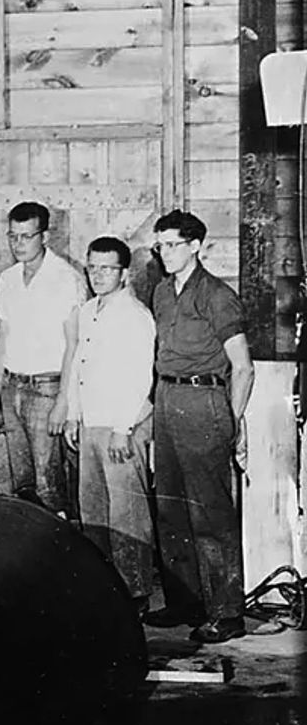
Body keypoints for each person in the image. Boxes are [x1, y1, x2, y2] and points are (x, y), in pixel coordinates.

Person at [144, 210, 254, 644]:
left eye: (172, 244)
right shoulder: (160, 293)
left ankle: (226, 613)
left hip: (203, 400)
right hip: (167, 400)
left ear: (195, 246)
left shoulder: (217, 296)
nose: (164, 253)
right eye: (160, 245)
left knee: (210, 514)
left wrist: (231, 422)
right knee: (170, 509)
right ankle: (185, 601)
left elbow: (243, 369)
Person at [59, 237, 157, 608]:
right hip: (90, 424)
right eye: (93, 267)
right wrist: (73, 416)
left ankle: (136, 592)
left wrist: (123, 428)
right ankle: (104, 588)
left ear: (124, 273)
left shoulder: (134, 314)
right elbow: (79, 368)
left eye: (107, 268)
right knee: (93, 510)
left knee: (126, 513)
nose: (98, 275)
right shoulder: (87, 311)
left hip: (120, 427)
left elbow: (140, 376)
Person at [0, 201, 86, 514]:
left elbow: (75, 346)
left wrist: (63, 402)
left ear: (44, 236)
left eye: (26, 236)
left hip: (47, 390)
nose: (18, 244)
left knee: (50, 482)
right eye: (13, 236)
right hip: (11, 388)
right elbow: (1, 341)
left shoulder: (66, 278)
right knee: (22, 483)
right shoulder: (8, 279)